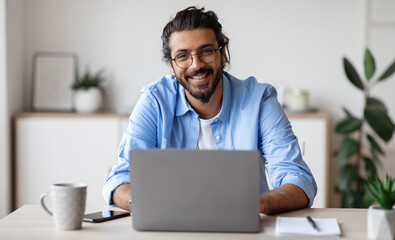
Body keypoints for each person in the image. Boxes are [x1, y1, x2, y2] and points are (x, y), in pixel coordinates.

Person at [103, 6, 317, 215]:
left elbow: (298, 180)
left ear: (222, 54)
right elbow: (119, 180)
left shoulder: (259, 101)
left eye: (206, 51)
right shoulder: (154, 101)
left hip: (244, 228)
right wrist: (151, 204)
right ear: (172, 65)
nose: (196, 65)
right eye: (183, 56)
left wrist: (254, 204)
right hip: (170, 228)